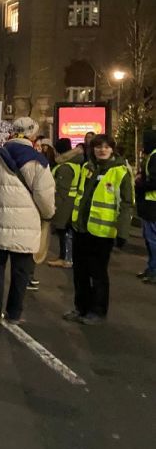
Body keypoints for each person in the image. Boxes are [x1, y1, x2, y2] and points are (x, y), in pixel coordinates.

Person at [0, 117, 55, 325]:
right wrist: (47, 215)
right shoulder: (39, 162)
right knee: (21, 272)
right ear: (33, 136)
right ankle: (14, 313)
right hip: (26, 225)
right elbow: (45, 197)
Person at [64, 134, 133, 325]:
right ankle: (81, 308)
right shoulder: (87, 168)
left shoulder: (120, 172)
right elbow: (79, 195)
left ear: (112, 149)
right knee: (80, 272)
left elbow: (127, 204)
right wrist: (71, 220)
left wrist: (123, 233)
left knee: (98, 274)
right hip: (81, 228)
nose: (102, 150)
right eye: (98, 147)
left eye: (106, 147)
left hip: (102, 232)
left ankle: (98, 311)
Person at [48, 137, 84, 269]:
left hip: (65, 202)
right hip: (70, 200)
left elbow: (62, 188)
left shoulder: (65, 167)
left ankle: (66, 258)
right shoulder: (74, 164)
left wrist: (55, 204)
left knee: (64, 231)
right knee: (66, 232)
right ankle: (65, 257)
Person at [137, 130, 156, 283]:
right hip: (148, 204)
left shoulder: (155, 157)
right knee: (149, 239)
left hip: (152, 205)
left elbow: (153, 182)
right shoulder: (151, 156)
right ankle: (151, 268)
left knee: (152, 240)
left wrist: (140, 184)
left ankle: (154, 271)